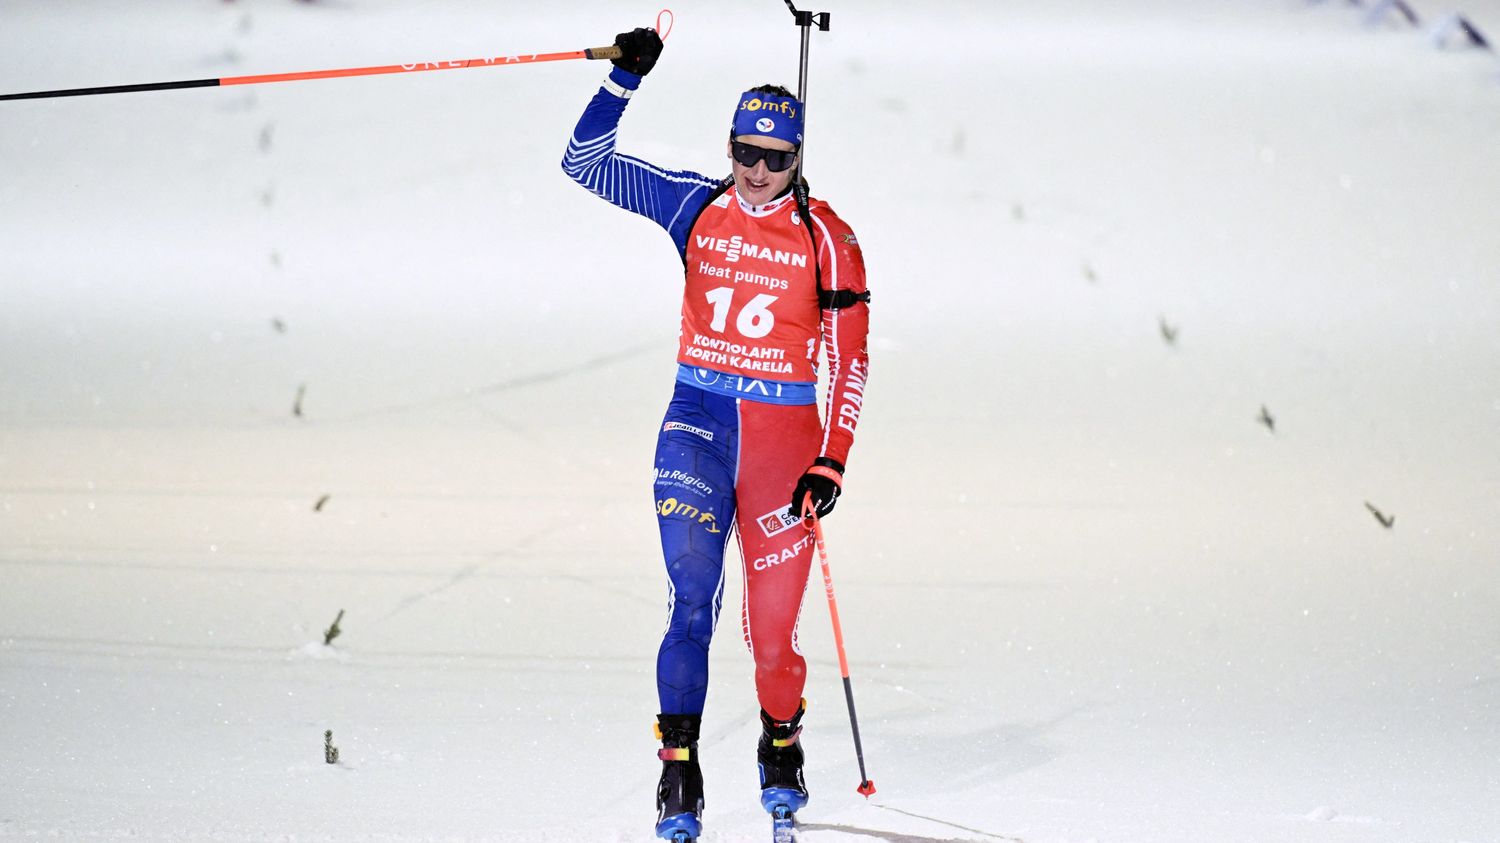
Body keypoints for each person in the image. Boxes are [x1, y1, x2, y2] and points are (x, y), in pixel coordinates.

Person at [561, 26, 871, 842]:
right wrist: (623, 80)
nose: (757, 171)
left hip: (783, 445)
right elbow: (584, 163)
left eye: (774, 158)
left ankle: (780, 745)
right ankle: (680, 768)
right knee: (691, 602)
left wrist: (831, 460)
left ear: (799, 155)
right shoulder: (698, 205)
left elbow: (849, 358)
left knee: (771, 636)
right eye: (745, 152)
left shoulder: (827, 239)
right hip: (696, 424)